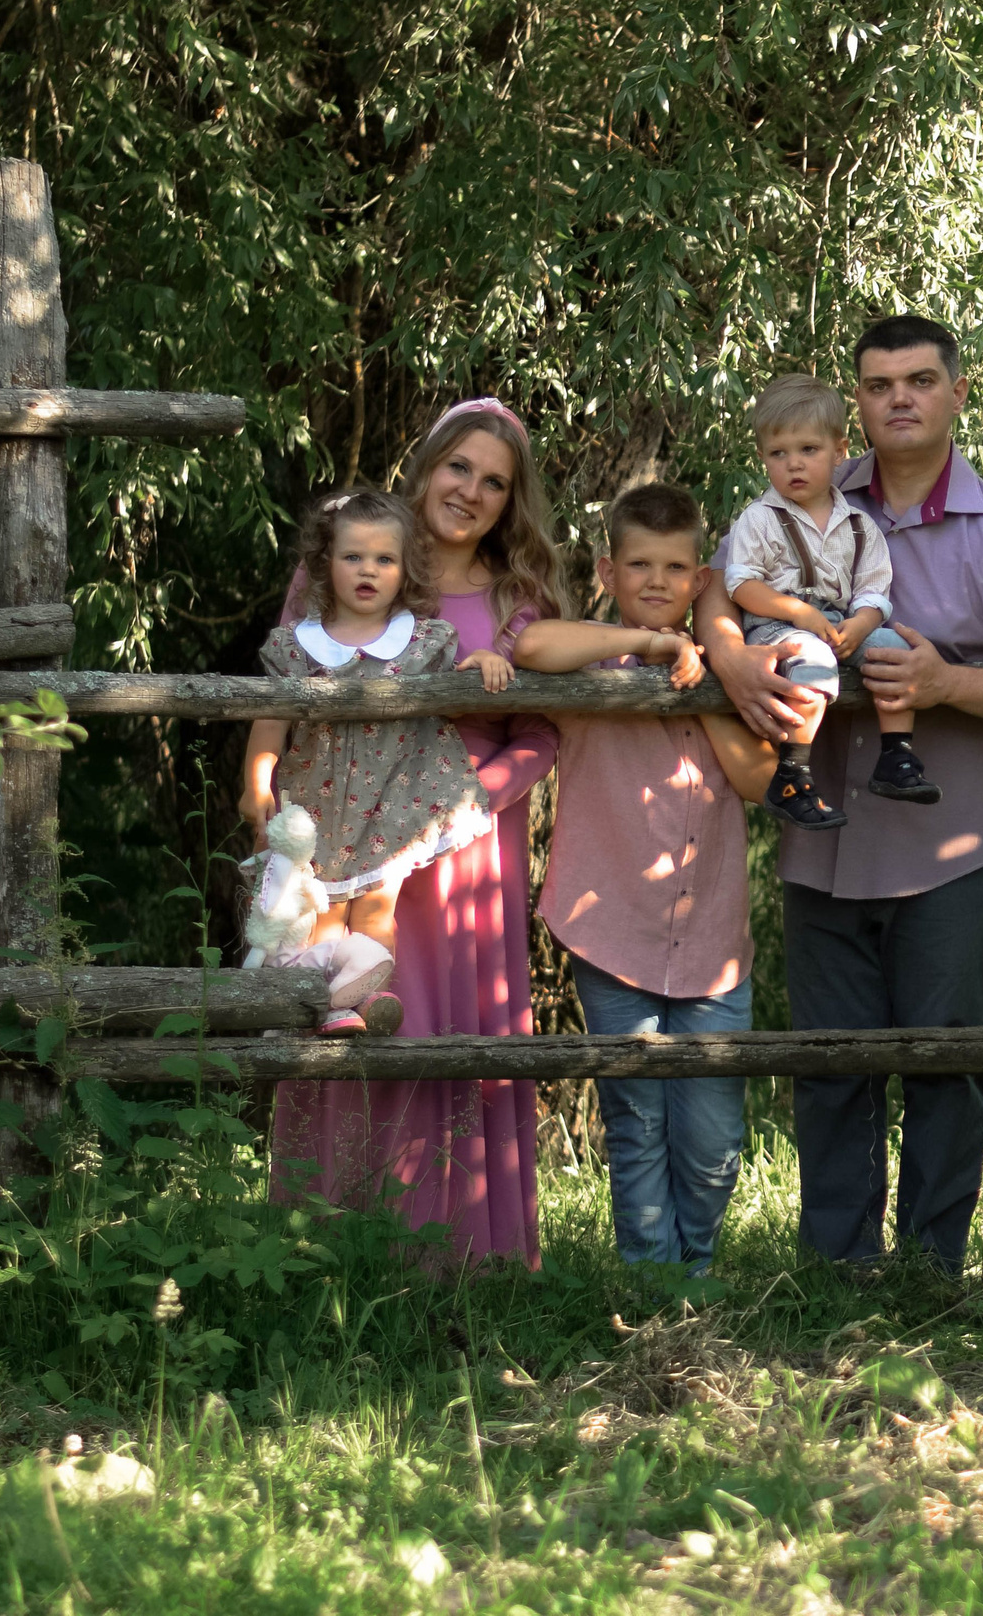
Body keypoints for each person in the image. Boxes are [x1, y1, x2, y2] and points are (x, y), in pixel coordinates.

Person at [700, 314, 983, 1280]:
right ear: (858, 405)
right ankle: (837, 1272)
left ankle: (931, 1273)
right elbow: (716, 587)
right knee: (832, 1067)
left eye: (921, 381)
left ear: (957, 393)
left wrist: (945, 685)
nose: (901, 399)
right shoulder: (798, 496)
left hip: (952, 847)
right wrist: (727, 655)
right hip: (824, 839)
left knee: (944, 1062)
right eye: (880, 385)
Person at [270, 398, 565, 1269]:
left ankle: (466, 1258)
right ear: (427, 464)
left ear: (511, 503)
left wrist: (460, 803)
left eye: (495, 482)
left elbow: (541, 735)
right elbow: (286, 698)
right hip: (346, 828)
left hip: (465, 847)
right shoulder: (347, 566)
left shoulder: (520, 600)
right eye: (458, 467)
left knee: (446, 1036)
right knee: (351, 1020)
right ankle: (331, 1250)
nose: (470, 491)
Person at [514, 484, 775, 1270]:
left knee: (711, 1133)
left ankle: (698, 1266)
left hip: (713, 941)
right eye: (639, 565)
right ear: (608, 570)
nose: (656, 581)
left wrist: (706, 684)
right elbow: (530, 648)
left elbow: (759, 781)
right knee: (636, 1120)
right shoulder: (593, 665)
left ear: (700, 579)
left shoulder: (732, 671)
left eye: (674, 567)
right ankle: (653, 1283)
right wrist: (648, 648)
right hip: (611, 928)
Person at [241, 489, 505, 1033]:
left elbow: (452, 691)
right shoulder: (297, 645)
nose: (369, 570)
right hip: (318, 802)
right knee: (321, 916)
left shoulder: (424, 640)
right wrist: (256, 786)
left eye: (385, 559)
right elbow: (269, 722)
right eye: (352, 557)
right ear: (324, 563)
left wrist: (479, 662)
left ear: (405, 570)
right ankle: (326, 1006)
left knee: (376, 910)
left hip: (392, 803)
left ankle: (361, 998)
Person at [723, 372, 937, 829]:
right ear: (762, 459)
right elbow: (741, 586)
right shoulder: (760, 519)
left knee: (896, 651)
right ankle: (792, 775)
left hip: (840, 624)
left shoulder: (858, 525)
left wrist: (861, 624)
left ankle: (896, 757)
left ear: (839, 451)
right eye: (778, 454)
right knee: (814, 658)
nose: (793, 465)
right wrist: (796, 611)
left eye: (808, 450)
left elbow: (875, 591)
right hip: (776, 625)